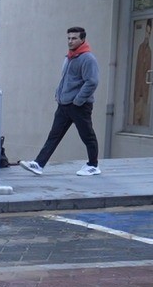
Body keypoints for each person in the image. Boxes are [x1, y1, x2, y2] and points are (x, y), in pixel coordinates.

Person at [19, 26, 101, 177]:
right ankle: (39, 163)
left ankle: (93, 165)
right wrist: (59, 94)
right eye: (68, 38)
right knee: (54, 135)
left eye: (74, 38)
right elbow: (66, 80)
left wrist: (78, 101)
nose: (70, 41)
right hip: (64, 104)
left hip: (79, 106)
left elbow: (92, 82)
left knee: (87, 135)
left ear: (82, 39)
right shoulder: (69, 57)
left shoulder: (87, 58)